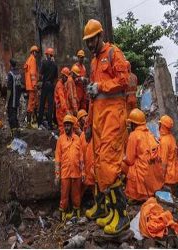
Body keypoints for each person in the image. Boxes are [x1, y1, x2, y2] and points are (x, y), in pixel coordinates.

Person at [83, 19, 130, 234]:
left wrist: (100, 85)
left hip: (113, 118)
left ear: (100, 36)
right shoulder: (93, 63)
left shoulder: (113, 54)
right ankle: (110, 211)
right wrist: (89, 123)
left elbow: (123, 81)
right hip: (100, 120)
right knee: (101, 165)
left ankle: (122, 216)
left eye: (92, 39)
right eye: (88, 41)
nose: (90, 44)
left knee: (110, 165)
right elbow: (94, 97)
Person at [123, 109, 159, 202]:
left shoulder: (134, 135)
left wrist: (122, 157)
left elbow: (129, 160)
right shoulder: (150, 133)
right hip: (153, 175)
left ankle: (136, 194)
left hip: (142, 173)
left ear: (133, 124)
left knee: (121, 164)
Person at [55, 114, 83, 221]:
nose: (66, 127)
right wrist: (57, 175)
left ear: (72, 126)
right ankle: (62, 213)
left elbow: (81, 156)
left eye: (68, 125)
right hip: (65, 172)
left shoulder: (77, 139)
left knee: (76, 194)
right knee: (64, 194)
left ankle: (77, 212)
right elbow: (57, 158)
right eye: (65, 125)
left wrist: (83, 172)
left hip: (76, 172)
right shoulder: (60, 140)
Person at [38, 48, 58, 130]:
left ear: (47, 54)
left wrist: (42, 80)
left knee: (42, 104)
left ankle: (39, 123)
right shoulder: (55, 65)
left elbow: (40, 74)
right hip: (51, 86)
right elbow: (56, 77)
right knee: (50, 105)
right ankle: (50, 124)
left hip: (45, 85)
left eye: (46, 54)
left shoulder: (44, 62)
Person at [159, 115, 178, 193]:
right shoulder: (171, 138)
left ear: (162, 126)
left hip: (168, 176)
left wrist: (161, 178)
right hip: (174, 172)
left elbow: (164, 162)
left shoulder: (164, 141)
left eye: (160, 124)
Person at [6, 58, 23, 137]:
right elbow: (20, 86)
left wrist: (6, 102)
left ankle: (14, 137)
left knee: (11, 117)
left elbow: (9, 89)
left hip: (12, 100)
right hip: (17, 99)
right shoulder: (19, 74)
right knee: (15, 116)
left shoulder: (10, 74)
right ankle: (18, 133)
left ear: (10, 64)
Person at [24, 45, 39, 128]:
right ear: (33, 52)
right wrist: (34, 85)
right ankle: (29, 123)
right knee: (31, 104)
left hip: (29, 85)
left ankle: (33, 120)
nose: (36, 53)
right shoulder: (33, 60)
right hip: (32, 86)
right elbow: (32, 74)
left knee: (33, 103)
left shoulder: (28, 59)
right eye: (36, 52)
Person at [54, 67, 72, 135]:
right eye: (66, 77)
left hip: (63, 110)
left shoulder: (62, 84)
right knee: (62, 127)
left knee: (65, 126)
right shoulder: (59, 86)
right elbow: (62, 99)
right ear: (63, 76)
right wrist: (66, 110)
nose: (67, 79)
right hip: (60, 111)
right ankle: (62, 142)